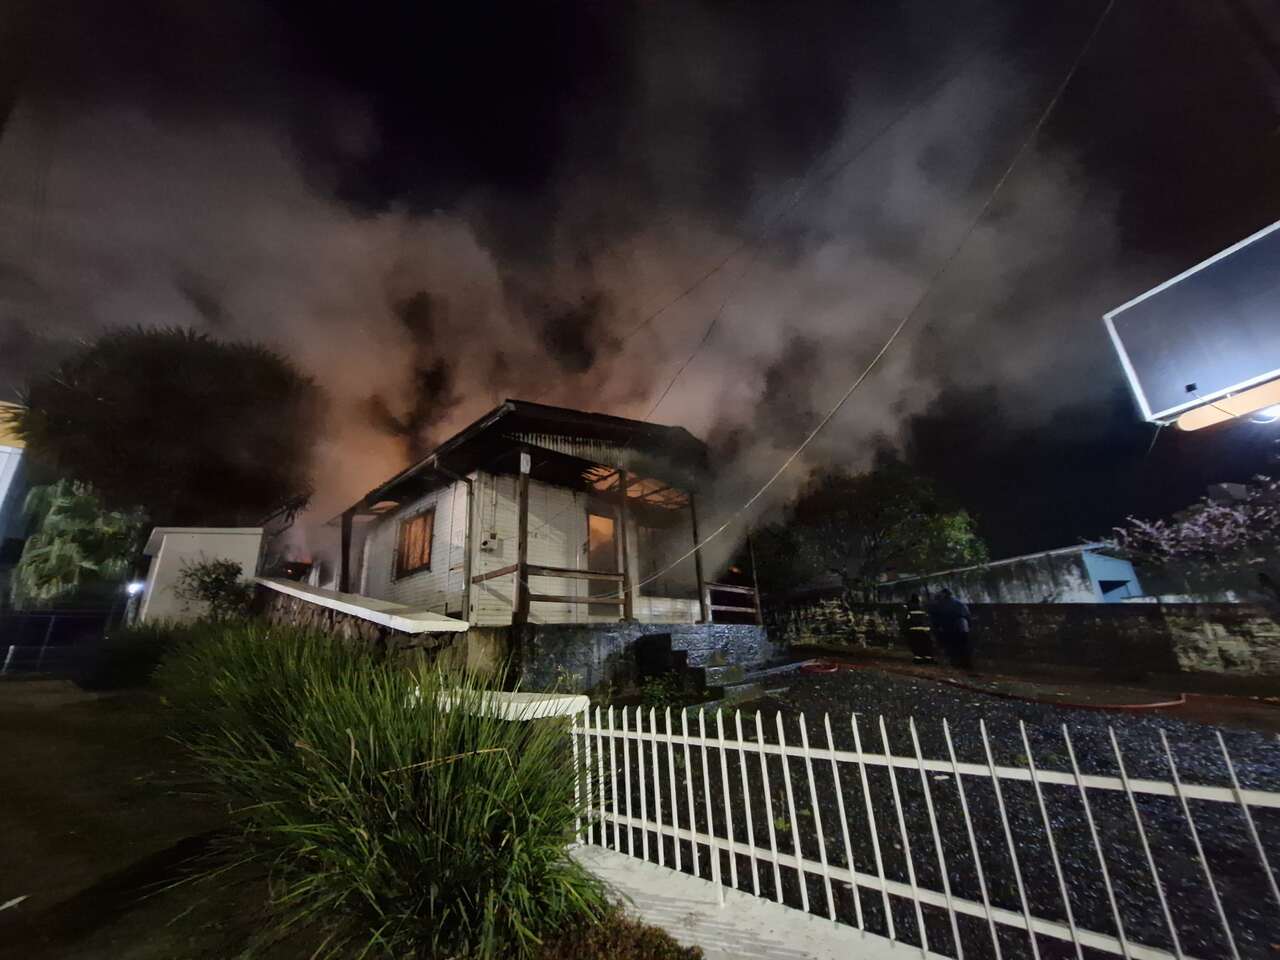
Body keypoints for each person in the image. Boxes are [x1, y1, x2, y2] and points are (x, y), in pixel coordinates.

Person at [931, 588, 973, 670]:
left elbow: (938, 619)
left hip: (950, 628)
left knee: (952, 648)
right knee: (964, 647)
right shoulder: (959, 603)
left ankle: (956, 665)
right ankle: (967, 665)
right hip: (963, 628)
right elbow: (968, 616)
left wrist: (938, 629)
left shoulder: (941, 605)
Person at [902, 593, 934, 664]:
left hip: (913, 630)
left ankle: (918, 658)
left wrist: (904, 630)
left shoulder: (909, 608)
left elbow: (906, 620)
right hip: (925, 630)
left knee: (916, 644)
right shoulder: (923, 607)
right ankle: (928, 658)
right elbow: (928, 619)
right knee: (926, 644)